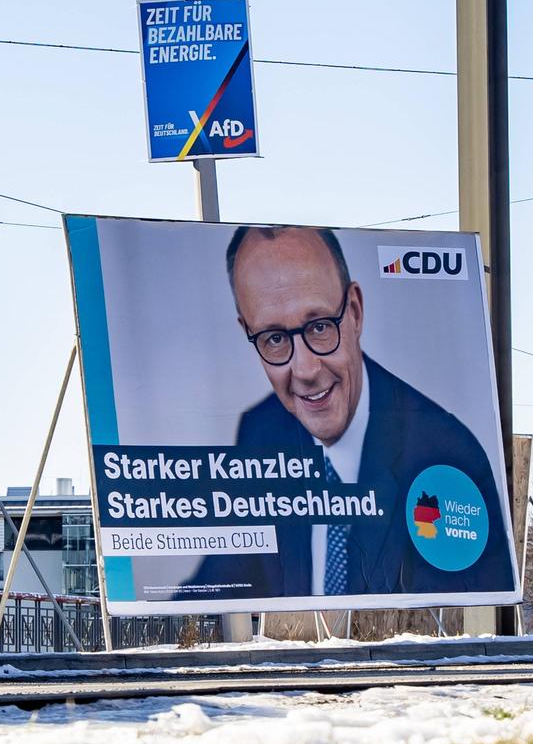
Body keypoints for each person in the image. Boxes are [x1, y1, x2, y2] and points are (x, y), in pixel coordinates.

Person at [189, 225, 514, 598]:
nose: (307, 370)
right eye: (274, 338)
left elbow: (457, 625)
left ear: (355, 312)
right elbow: (213, 587)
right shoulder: (261, 432)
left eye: (320, 327)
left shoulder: (448, 455)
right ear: (248, 333)